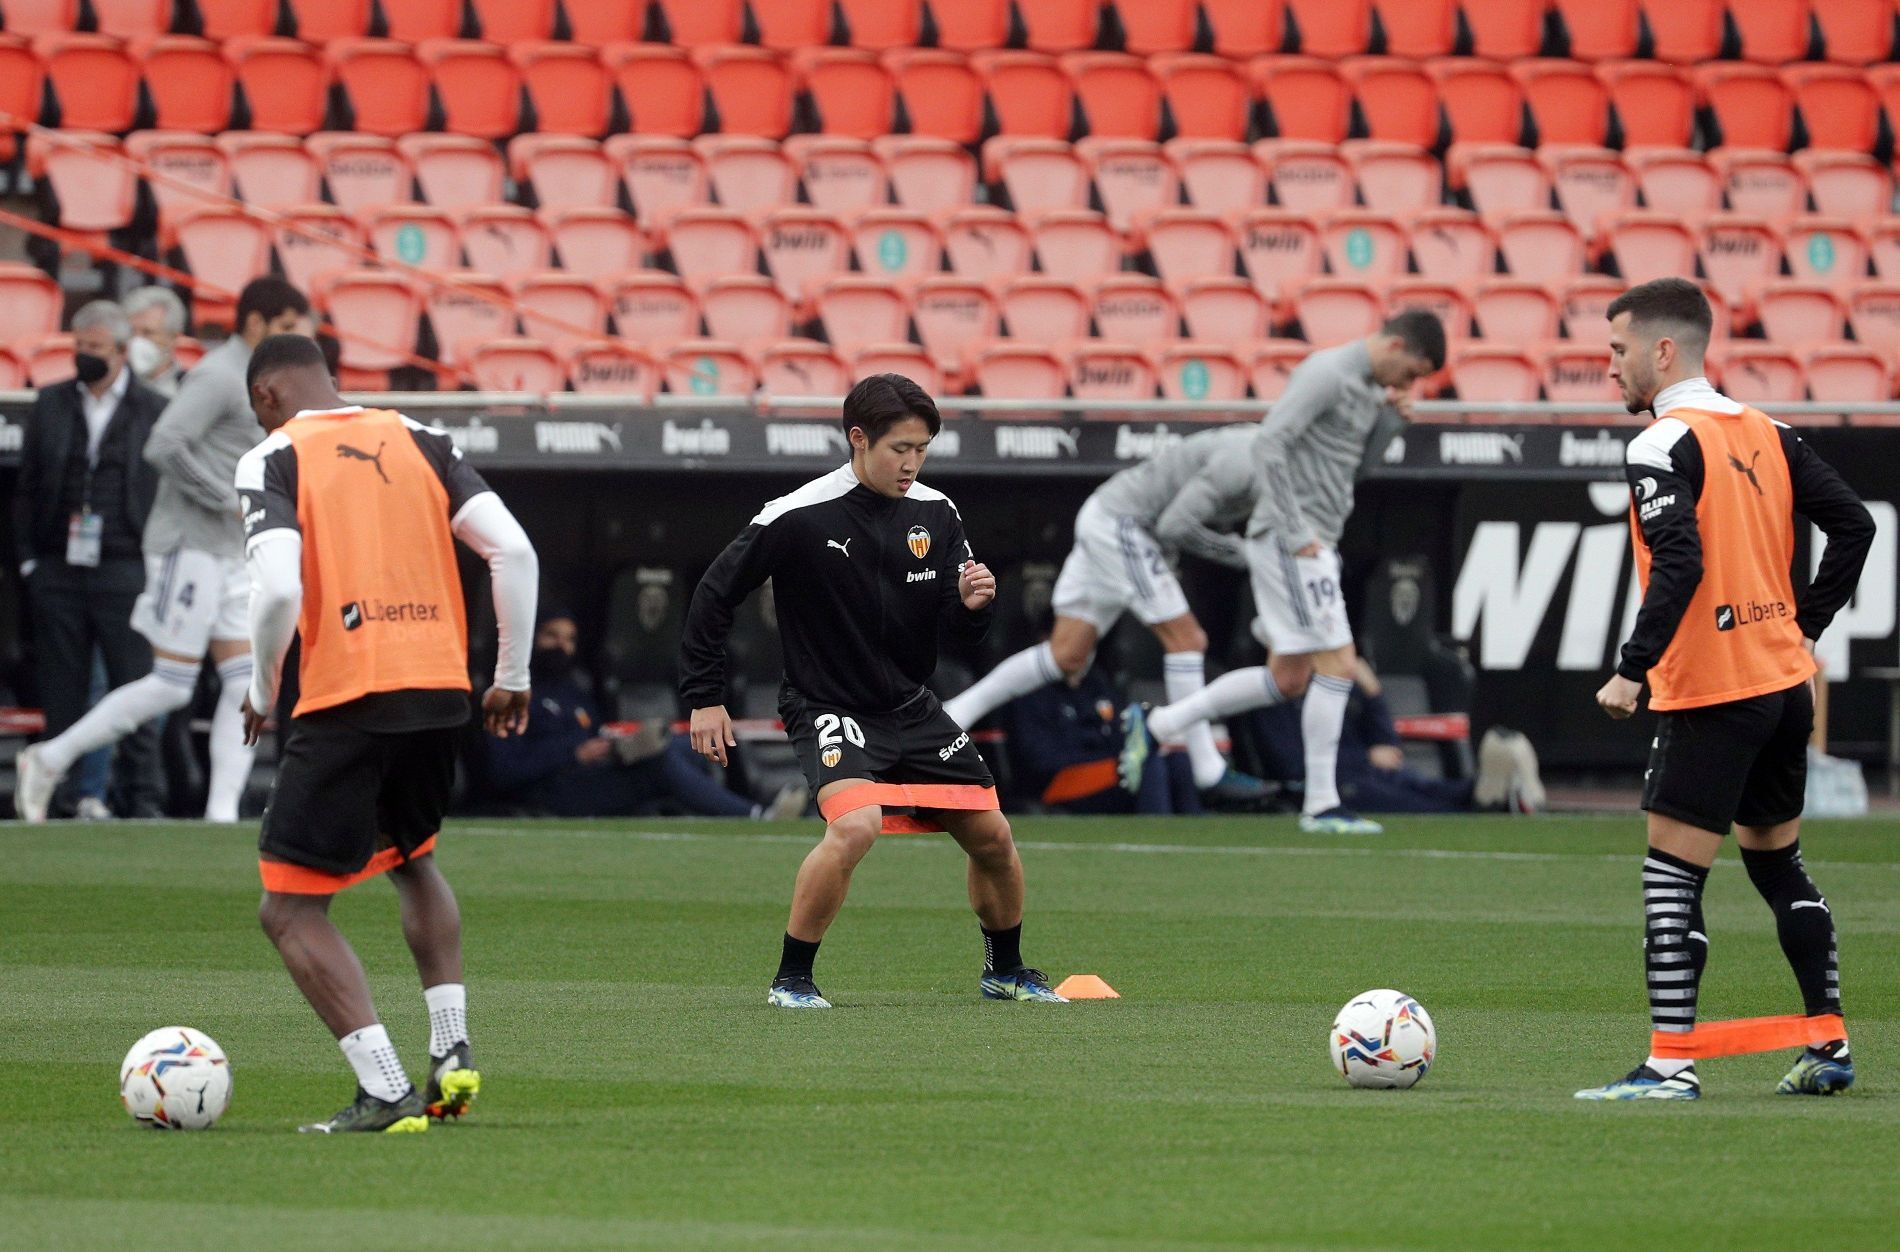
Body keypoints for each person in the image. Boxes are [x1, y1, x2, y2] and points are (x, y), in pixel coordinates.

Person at [1573, 278, 1874, 1102]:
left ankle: (1670, 1065)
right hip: (1783, 686)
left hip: (1711, 689)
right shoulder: (1766, 429)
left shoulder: (1659, 444)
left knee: (1672, 877)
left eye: (1618, 351)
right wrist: (1803, 628)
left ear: (1662, 351)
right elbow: (1856, 523)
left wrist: (1633, 668)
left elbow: (1681, 562)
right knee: (1781, 869)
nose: (1611, 369)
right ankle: (1827, 1045)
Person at [680, 374, 1065, 1009]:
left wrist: (972, 606)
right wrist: (704, 697)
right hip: (827, 704)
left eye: (923, 449)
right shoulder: (795, 515)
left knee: (993, 834)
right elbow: (712, 599)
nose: (912, 463)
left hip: (911, 707)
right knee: (856, 827)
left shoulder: (937, 513)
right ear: (858, 439)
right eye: (899, 449)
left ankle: (1006, 970)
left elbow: (959, 627)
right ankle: (793, 979)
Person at [237, 334, 539, 1132]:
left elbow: (274, 593)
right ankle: (451, 1048)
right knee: (412, 856)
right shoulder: (422, 438)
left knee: (290, 910)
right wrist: (510, 677)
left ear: (265, 397)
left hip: (347, 695)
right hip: (441, 690)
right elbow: (512, 550)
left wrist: (262, 689)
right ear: (328, 380)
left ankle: (385, 1089)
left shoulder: (273, 454)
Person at [1119, 311, 1446, 835]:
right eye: (1412, 372)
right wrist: (1295, 532)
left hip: (1316, 540)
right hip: (1293, 540)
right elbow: (1270, 443)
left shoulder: (1367, 391)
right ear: (1397, 344)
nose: (1410, 384)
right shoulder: (1326, 372)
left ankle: (1159, 723)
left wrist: (1391, 423)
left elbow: (1351, 471)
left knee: (1289, 678)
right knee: (1338, 664)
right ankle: (1321, 805)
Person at [15, 278, 315, 824]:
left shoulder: (256, 376)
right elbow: (164, 442)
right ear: (256, 324)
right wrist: (226, 498)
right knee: (170, 686)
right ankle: (49, 757)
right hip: (189, 546)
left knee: (244, 684)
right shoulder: (221, 375)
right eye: (289, 326)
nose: (301, 338)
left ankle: (222, 815)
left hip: (229, 550)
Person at [945, 423, 1269, 805]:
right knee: (1187, 639)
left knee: (1066, 655)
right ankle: (1206, 768)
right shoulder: (1245, 459)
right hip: (1123, 525)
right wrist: (1241, 554)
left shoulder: (1279, 460)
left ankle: (956, 712)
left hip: (1110, 517)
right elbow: (1175, 525)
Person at [12, 300, 169, 819]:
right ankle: (61, 798)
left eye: (95, 349)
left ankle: (141, 800)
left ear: (124, 352)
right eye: (78, 347)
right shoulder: (51, 402)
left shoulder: (153, 408)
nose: (84, 356)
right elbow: (27, 488)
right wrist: (32, 561)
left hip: (126, 566)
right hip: (59, 568)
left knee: (137, 687)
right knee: (63, 689)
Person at [488, 610, 808, 820]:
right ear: (531, 639)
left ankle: (744, 806)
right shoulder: (511, 694)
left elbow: (596, 735)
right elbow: (503, 771)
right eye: (551, 636)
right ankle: (754, 815)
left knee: (682, 744)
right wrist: (574, 753)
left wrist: (616, 747)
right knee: (661, 762)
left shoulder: (575, 691)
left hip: (595, 772)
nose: (561, 646)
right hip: (551, 791)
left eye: (569, 639)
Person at [1245, 657, 1543, 815]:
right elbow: (1289, 765)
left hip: (1369, 772)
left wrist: (1372, 692)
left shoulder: (1326, 683)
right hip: (1334, 785)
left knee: (1436, 788)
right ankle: (1489, 808)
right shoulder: (1271, 696)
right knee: (1423, 808)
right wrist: (1365, 756)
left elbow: (1386, 742)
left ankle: (1494, 790)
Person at [1005, 654, 1204, 816]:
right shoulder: (1032, 692)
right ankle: (1158, 838)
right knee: (1148, 767)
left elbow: (1121, 733)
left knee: (1178, 761)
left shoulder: (1096, 683)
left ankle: (1196, 837)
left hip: (1108, 767)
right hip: (1060, 780)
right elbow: (1039, 759)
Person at [122, 286, 188, 398]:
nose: (136, 340)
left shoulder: (188, 388)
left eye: (147, 333)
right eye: (131, 332)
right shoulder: (110, 386)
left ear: (173, 337)